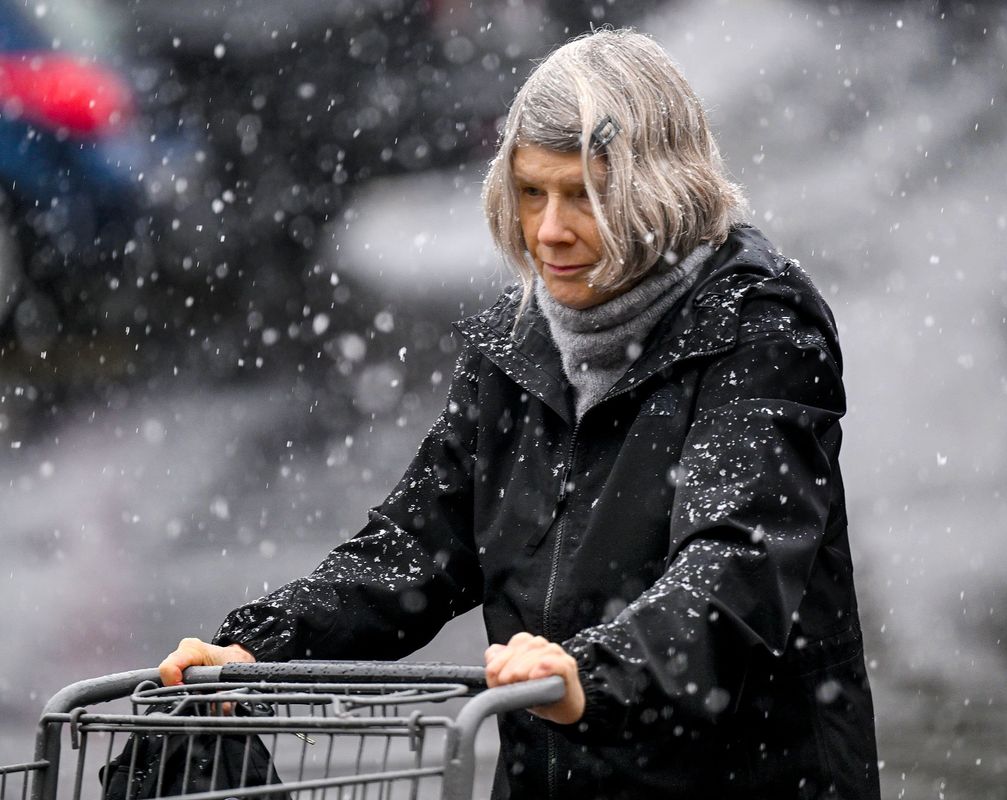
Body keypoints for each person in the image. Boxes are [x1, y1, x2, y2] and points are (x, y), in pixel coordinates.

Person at [160, 28, 880, 800]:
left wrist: (593, 677)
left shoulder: (756, 326)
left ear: (658, 193)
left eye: (585, 196)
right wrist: (259, 647)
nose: (549, 231)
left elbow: (736, 564)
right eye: (532, 192)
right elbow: (414, 548)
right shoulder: (517, 341)